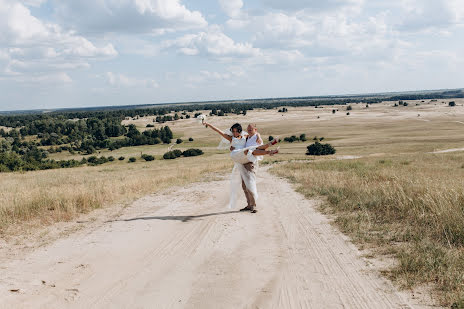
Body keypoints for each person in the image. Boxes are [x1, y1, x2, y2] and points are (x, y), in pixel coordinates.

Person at [202, 120, 279, 213]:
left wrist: (258, 136)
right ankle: (249, 204)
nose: (235, 133)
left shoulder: (245, 137)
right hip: (239, 159)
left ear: (240, 131)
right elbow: (219, 131)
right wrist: (208, 124)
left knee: (249, 183)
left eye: (237, 131)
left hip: (248, 160)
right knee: (244, 185)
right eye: (233, 131)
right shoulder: (231, 138)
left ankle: (253, 206)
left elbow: (254, 133)